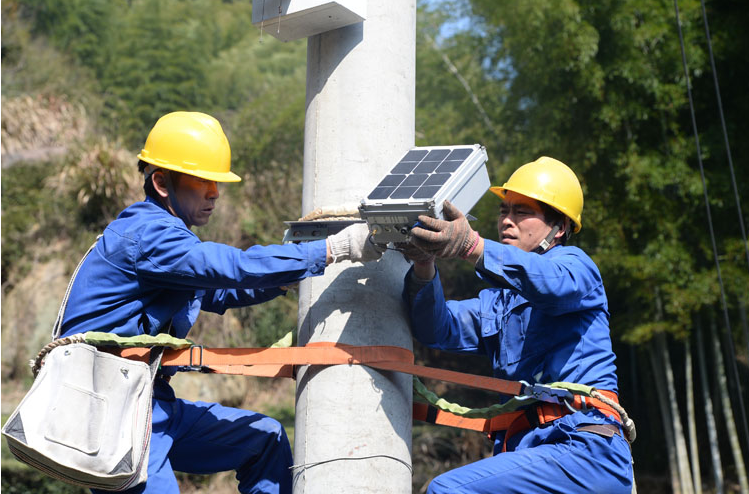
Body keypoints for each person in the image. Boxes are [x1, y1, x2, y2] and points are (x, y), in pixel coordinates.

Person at [58, 111, 383, 494]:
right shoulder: (149, 235)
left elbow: (220, 291)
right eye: (203, 180)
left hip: (151, 401)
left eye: (216, 182)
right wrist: (333, 249)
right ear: (162, 183)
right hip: (113, 410)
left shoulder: (170, 245)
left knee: (265, 439)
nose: (214, 192)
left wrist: (287, 277)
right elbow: (235, 267)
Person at [401, 156, 633, 493]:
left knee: (448, 490)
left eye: (522, 212)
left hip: (583, 449)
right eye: (503, 211)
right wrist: (424, 266)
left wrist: (472, 247)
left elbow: (549, 284)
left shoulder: (575, 267)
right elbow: (438, 328)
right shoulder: (498, 301)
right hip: (529, 451)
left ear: (560, 227)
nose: (507, 221)